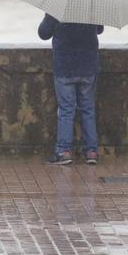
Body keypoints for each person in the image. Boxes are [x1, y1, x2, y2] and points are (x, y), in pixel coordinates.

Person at [38, 13, 104, 166]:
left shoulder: (57, 6)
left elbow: (43, 33)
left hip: (65, 66)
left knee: (66, 109)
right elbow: (99, 29)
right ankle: (91, 152)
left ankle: (64, 151)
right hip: (88, 65)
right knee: (88, 109)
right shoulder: (92, 5)